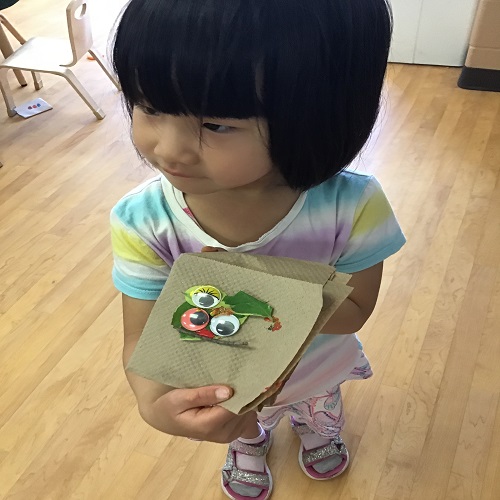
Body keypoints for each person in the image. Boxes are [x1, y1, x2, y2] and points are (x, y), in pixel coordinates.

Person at [110, 1, 405, 498]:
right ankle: (248, 443)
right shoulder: (143, 221)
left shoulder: (353, 205)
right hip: (224, 380)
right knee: (241, 420)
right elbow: (141, 338)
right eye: (151, 106)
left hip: (316, 367)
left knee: (318, 409)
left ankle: (317, 431)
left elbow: (354, 310)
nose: (168, 148)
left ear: (316, 113)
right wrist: (150, 400)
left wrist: (240, 287)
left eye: (217, 124)